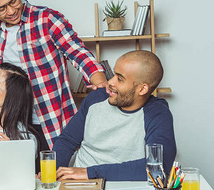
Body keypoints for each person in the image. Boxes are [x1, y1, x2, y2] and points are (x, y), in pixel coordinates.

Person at [0, 0, 107, 154]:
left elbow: (78, 52)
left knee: (52, 175)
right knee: (18, 175)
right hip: (13, 122)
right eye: (1, 8)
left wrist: (100, 83)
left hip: (51, 118)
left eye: (13, 1)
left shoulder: (47, 19)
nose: (12, 11)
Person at [52, 50, 177, 181]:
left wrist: (90, 173)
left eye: (120, 79)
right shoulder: (96, 98)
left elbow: (158, 166)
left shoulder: (157, 113)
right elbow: (67, 141)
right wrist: (50, 173)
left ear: (142, 89)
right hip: (79, 185)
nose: (110, 82)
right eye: (113, 74)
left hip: (121, 188)